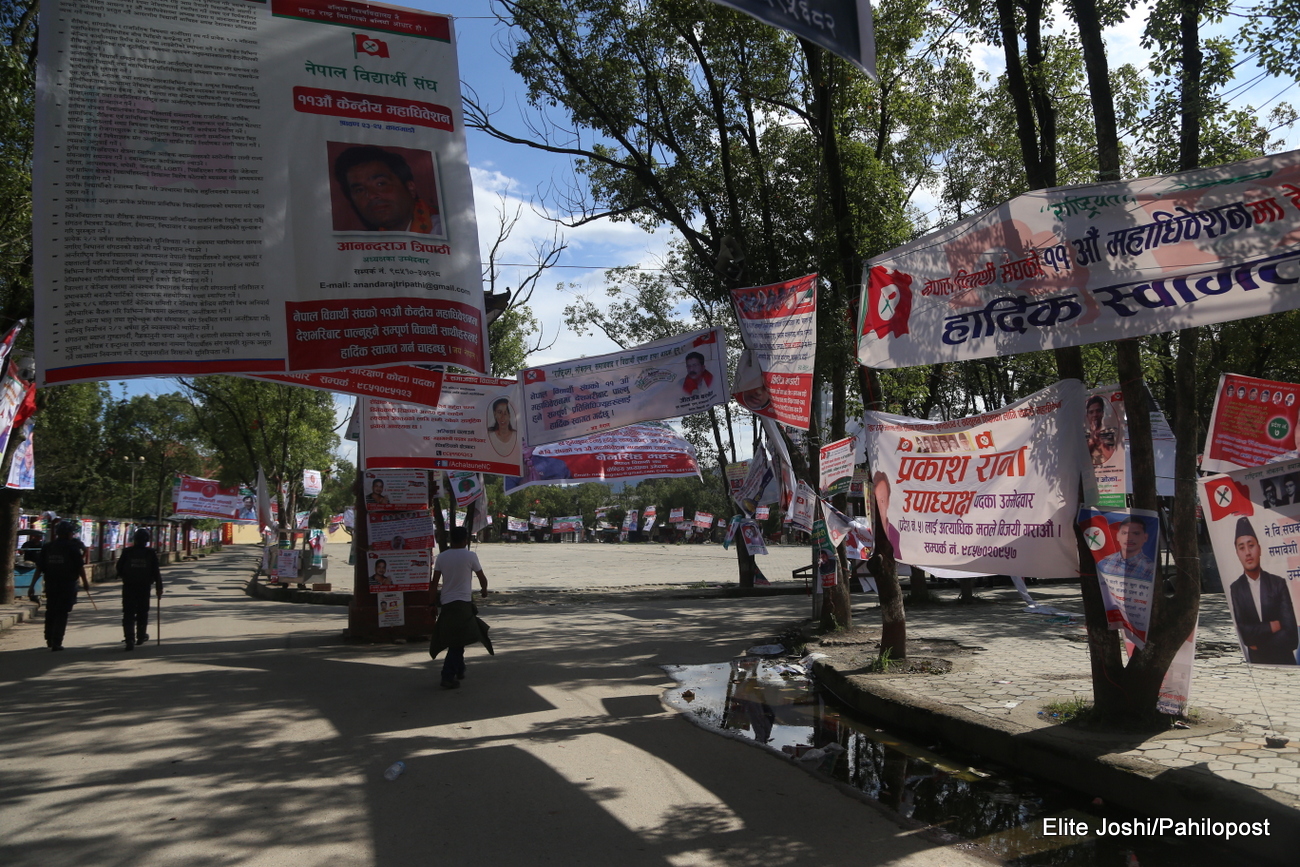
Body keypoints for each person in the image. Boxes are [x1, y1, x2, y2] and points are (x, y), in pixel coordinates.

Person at [1228, 517, 1298, 665]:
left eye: (1251, 545)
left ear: (1259, 549)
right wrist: (1271, 626)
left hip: (1285, 664)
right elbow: (1245, 633)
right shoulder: (1236, 588)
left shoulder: (1277, 583)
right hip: (1257, 666)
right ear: (1237, 553)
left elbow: (1292, 637)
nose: (1247, 552)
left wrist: (1258, 645)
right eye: (1242, 548)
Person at [429, 527, 493, 689]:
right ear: (465, 540)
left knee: (459, 636)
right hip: (463, 603)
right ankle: (448, 675)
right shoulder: (470, 556)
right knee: (459, 640)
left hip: (448, 602)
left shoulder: (442, 557)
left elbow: (434, 583)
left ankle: (459, 669)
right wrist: (484, 592)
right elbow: (482, 578)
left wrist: (431, 603)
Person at [333, 145, 439, 233]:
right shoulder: (361, 248)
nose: (371, 195)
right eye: (359, 190)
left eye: (380, 184)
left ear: (410, 188)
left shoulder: (443, 231)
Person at [34, 521, 91, 651]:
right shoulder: (72, 547)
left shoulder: (48, 547)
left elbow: (39, 568)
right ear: (68, 533)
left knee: (51, 610)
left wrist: (32, 585)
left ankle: (49, 638)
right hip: (67, 585)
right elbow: (80, 566)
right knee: (62, 612)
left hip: (51, 584)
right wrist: (85, 582)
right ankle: (57, 641)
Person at [116, 528, 162, 651]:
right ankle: (141, 636)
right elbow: (156, 571)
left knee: (128, 613)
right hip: (144, 587)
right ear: (146, 541)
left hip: (129, 586)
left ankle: (129, 638)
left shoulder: (127, 552)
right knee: (142, 611)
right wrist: (159, 587)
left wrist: (124, 576)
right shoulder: (150, 553)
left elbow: (119, 567)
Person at [1097, 517, 1156, 585]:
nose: (1129, 538)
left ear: (1145, 537)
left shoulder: (1150, 569)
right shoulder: (1105, 562)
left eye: (1136, 533)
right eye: (1124, 533)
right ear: (1117, 536)